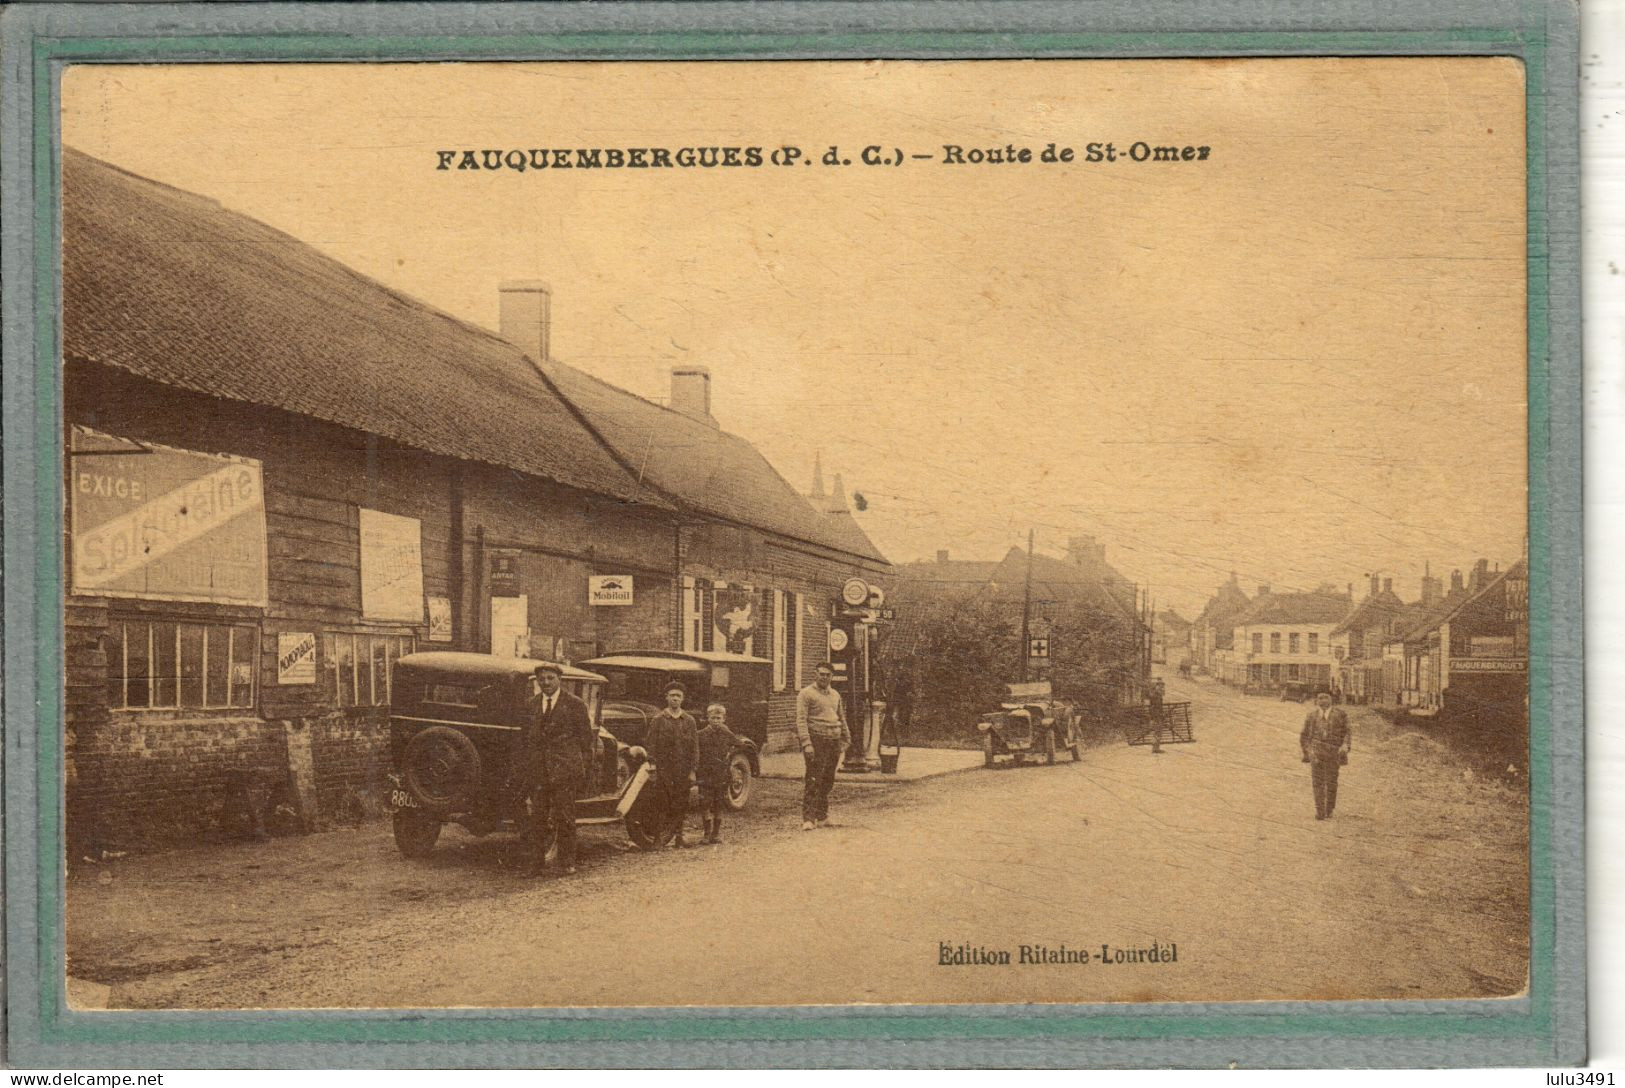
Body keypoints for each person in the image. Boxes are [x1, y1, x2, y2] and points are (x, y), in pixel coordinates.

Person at [522, 662, 596, 875]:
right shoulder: (532, 704)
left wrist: (582, 770)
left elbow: (586, 741)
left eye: (550, 678)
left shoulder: (575, 704)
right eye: (542, 679)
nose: (546, 683)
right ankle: (536, 864)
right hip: (539, 771)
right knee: (537, 818)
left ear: (559, 680)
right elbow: (526, 739)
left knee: (565, 817)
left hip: (564, 770)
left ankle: (567, 862)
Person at [796, 663, 850, 830]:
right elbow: (801, 720)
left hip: (833, 741)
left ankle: (822, 816)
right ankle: (808, 819)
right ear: (815, 674)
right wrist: (807, 744)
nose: (824, 677)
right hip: (816, 740)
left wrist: (846, 738)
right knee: (814, 779)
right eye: (821, 674)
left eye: (828, 675)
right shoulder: (806, 694)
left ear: (832, 677)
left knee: (828, 780)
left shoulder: (835, 695)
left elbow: (840, 717)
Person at [644, 682, 699, 847]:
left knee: (681, 803)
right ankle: (659, 838)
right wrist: (652, 766)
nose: (675, 698)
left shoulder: (689, 720)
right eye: (672, 695)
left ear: (683, 699)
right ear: (666, 698)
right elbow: (651, 744)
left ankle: (679, 837)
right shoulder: (659, 720)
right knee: (662, 803)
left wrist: (692, 770)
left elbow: (694, 747)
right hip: (663, 769)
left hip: (683, 769)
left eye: (678, 696)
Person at [1299, 691, 1352, 820]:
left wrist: (1345, 745)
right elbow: (1304, 736)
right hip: (1316, 754)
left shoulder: (1340, 715)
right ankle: (1320, 810)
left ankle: (1329, 808)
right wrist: (1308, 751)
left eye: (1325, 697)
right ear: (1316, 701)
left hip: (1334, 753)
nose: (1322, 700)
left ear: (1331, 699)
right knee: (1317, 782)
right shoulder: (1311, 716)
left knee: (1332, 781)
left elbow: (1347, 732)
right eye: (1319, 698)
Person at [694, 703, 736, 844]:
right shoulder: (700, 735)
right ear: (708, 718)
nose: (716, 721)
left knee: (719, 803)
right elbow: (695, 752)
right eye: (713, 718)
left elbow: (738, 745)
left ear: (724, 719)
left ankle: (716, 834)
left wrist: (729, 760)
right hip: (705, 773)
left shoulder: (727, 734)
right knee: (705, 803)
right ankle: (706, 834)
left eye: (719, 718)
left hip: (721, 773)